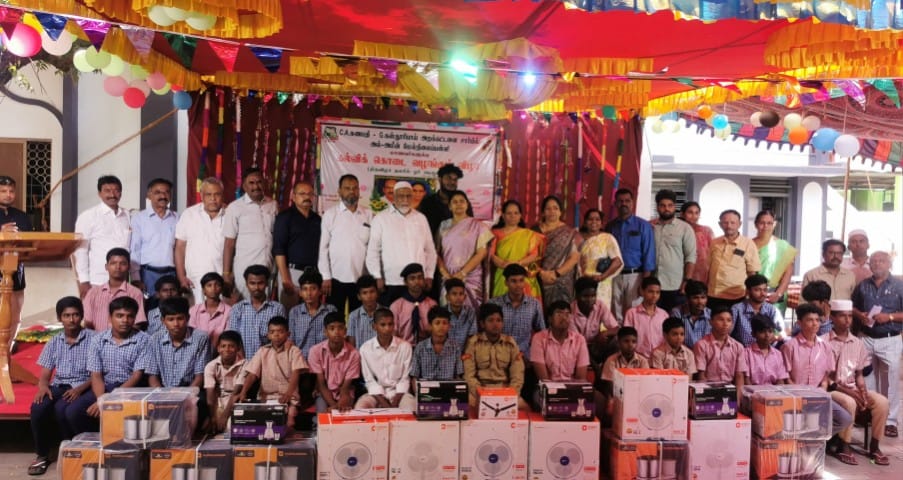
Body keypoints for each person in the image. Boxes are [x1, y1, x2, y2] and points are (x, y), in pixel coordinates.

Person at [28, 297, 94, 476]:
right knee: (38, 408)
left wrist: (80, 389)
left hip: (84, 385)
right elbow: (45, 373)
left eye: (75, 315)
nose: (72, 319)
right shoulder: (54, 341)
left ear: (81, 316)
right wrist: (43, 387)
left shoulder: (94, 339)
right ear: (59, 318)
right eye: (66, 315)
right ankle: (42, 454)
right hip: (59, 385)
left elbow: (98, 374)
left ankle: (72, 451)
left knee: (62, 409)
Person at [825, 300, 892, 465]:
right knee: (850, 402)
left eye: (850, 316)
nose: (847, 320)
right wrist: (851, 393)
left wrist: (862, 391)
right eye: (842, 316)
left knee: (882, 402)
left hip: (852, 387)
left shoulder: (857, 342)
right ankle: (844, 445)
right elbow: (825, 378)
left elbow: (859, 374)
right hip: (831, 389)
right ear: (832, 317)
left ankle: (875, 446)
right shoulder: (823, 341)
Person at [69, 297, 149, 433]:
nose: (125, 320)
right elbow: (96, 375)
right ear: (110, 318)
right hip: (104, 386)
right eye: (119, 316)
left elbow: (136, 376)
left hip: (130, 388)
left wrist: (108, 400)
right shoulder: (98, 340)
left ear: (135, 318)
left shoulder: (144, 340)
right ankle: (93, 442)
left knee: (115, 413)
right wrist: (101, 399)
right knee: (73, 412)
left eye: (130, 316)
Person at [782, 304, 854, 450]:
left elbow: (826, 375)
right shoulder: (790, 346)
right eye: (810, 320)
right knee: (803, 421)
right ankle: (805, 444)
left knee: (844, 418)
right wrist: (797, 394)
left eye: (817, 320)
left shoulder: (825, 346)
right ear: (799, 323)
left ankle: (812, 439)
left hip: (819, 395)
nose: (815, 323)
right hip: (796, 397)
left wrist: (822, 389)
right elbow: (785, 376)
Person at [852, 251, 902, 438]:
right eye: (873, 261)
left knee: (890, 380)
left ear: (889, 264)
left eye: (881, 261)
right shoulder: (863, 285)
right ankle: (870, 414)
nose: (877, 264)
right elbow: (853, 306)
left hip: (890, 338)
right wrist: (860, 315)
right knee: (866, 378)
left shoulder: (899, 285)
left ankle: (890, 421)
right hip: (866, 337)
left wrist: (889, 317)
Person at [366, 181, 437, 305]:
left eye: (408, 196)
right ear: (393, 197)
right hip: (391, 281)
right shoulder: (381, 219)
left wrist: (429, 275)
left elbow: (430, 250)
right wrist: (377, 276)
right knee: (391, 315)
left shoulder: (421, 218)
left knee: (416, 315)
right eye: (401, 196)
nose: (405, 199)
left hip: (417, 282)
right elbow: (373, 251)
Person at [234, 316, 308, 429]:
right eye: (272, 332)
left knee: (289, 423)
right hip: (266, 398)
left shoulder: (294, 351)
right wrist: (243, 392)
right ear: (268, 335)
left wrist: (288, 395)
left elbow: (296, 373)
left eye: (280, 332)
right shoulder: (262, 351)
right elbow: (252, 374)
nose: (276, 335)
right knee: (262, 424)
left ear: (288, 334)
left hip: (288, 399)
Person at [319, 174, 372, 313]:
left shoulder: (368, 214)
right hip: (336, 279)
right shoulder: (330, 215)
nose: (351, 191)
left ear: (359, 191)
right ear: (339, 191)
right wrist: (326, 276)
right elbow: (323, 248)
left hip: (361, 279)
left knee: (359, 317)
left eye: (355, 188)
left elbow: (372, 247)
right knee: (335, 318)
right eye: (347, 188)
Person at [223, 168, 278, 300]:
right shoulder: (234, 207)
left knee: (265, 305)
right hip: (244, 267)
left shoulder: (273, 204)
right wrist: (226, 273)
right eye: (251, 183)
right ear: (244, 186)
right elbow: (229, 243)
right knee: (246, 305)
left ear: (264, 183)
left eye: (259, 182)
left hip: (268, 266)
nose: (256, 186)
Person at [462, 303, 529, 411]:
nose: (495, 324)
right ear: (482, 324)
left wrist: (511, 394)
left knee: (525, 408)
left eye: (499, 320)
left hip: (505, 390)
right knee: (466, 407)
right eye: (491, 320)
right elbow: (468, 375)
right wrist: (482, 394)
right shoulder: (473, 343)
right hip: (480, 390)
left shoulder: (510, 343)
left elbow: (518, 374)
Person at [73, 175, 131, 297]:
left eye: (116, 190)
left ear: (121, 193)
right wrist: (84, 281)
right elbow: (81, 250)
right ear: (99, 193)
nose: (112, 195)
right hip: (97, 279)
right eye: (107, 191)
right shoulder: (88, 216)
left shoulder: (127, 215)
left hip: (123, 280)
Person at [606, 188, 656, 321]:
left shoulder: (643, 226)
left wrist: (645, 282)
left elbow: (648, 254)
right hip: (614, 275)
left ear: (632, 203)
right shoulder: (610, 227)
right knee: (614, 312)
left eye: (627, 201)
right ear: (615, 203)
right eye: (620, 201)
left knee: (634, 313)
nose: (624, 204)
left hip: (635, 276)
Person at [436, 190, 492, 309]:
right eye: (455, 202)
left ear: (467, 205)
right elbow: (436, 253)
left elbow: (482, 253)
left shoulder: (479, 226)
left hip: (471, 277)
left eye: (462, 201)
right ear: (450, 206)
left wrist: (462, 273)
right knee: (447, 312)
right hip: (448, 276)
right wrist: (446, 274)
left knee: (471, 311)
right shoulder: (443, 226)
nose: (459, 204)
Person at [175, 177, 226, 304]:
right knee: (195, 314)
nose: (213, 198)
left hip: (222, 280)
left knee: (221, 314)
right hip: (194, 280)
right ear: (202, 196)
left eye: (217, 194)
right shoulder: (189, 214)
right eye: (208, 194)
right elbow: (180, 247)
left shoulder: (230, 214)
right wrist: (181, 277)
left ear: (222, 195)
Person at [529, 301, 590, 407]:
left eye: (567, 314)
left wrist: (570, 394)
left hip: (572, 389)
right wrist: (559, 396)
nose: (564, 317)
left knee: (596, 399)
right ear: (549, 319)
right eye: (559, 314)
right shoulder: (538, 339)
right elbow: (543, 378)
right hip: (547, 389)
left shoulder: (579, 340)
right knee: (540, 399)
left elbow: (581, 378)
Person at [142, 297, 209, 391]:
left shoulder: (201, 338)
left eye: (180, 318)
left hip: (191, 391)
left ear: (188, 318)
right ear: (163, 321)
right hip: (163, 392)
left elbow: (200, 376)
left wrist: (184, 396)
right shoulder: (155, 339)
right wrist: (162, 395)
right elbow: (153, 376)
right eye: (171, 319)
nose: (176, 324)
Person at [355, 308, 416, 410]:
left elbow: (405, 379)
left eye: (390, 324)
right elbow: (369, 380)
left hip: (400, 394)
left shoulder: (405, 347)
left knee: (411, 408)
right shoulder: (365, 349)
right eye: (383, 325)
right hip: (376, 395)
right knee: (360, 407)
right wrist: (385, 405)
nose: (387, 328)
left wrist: (395, 403)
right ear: (374, 326)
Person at [273, 181, 321, 307]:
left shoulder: (318, 220)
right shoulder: (284, 217)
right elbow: (279, 249)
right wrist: (285, 279)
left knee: (311, 313)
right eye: (302, 194)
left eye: (310, 194)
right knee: (289, 313)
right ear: (293, 197)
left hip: (313, 274)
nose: (307, 197)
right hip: (291, 273)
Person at [129, 178, 178, 295]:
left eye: (166, 192)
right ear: (149, 195)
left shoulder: (177, 218)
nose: (163, 196)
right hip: (148, 274)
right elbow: (135, 249)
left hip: (172, 274)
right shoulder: (139, 218)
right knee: (150, 305)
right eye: (158, 192)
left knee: (171, 305)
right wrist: (136, 278)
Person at [226, 265, 286, 359]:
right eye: (252, 283)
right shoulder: (237, 308)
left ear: (267, 283)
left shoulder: (277, 308)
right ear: (246, 284)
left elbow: (282, 339)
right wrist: (243, 364)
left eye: (260, 283)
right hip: (243, 362)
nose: (256, 287)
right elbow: (233, 338)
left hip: (270, 361)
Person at [0, 175, 33, 347]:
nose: (8, 194)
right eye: (3, 191)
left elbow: (31, 241)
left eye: (11, 191)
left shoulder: (22, 216)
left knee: (15, 314)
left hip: (17, 271)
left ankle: (6, 349)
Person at [651, 190, 696, 311]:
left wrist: (686, 281)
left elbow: (690, 257)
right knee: (654, 318)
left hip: (676, 285)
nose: (666, 209)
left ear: (674, 207)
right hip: (654, 284)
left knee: (675, 319)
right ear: (657, 207)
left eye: (670, 205)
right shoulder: (651, 227)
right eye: (662, 205)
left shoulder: (685, 228)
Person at [707, 209, 761, 311]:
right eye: (725, 222)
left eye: (733, 223)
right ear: (720, 224)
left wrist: (750, 295)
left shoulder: (748, 244)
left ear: (739, 224)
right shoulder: (714, 243)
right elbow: (707, 268)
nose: (729, 226)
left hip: (737, 296)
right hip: (714, 295)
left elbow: (752, 273)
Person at [308, 312, 361, 413]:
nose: (337, 332)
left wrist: (339, 404)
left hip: (345, 393)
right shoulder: (315, 351)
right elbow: (321, 384)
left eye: (340, 328)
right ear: (325, 332)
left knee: (344, 414)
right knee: (323, 415)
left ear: (345, 331)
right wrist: (333, 405)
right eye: (332, 328)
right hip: (324, 392)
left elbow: (345, 387)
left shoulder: (354, 354)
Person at [82, 248, 146, 331]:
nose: (118, 267)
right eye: (113, 263)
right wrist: (99, 338)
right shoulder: (93, 293)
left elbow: (137, 324)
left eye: (122, 263)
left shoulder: (135, 293)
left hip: (126, 339)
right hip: (96, 338)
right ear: (106, 266)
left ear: (129, 267)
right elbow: (87, 324)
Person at [532, 195, 580, 305]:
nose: (552, 211)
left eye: (555, 208)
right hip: (537, 279)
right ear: (543, 212)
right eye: (548, 208)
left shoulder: (570, 233)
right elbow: (528, 257)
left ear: (560, 212)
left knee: (560, 311)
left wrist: (556, 274)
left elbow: (574, 258)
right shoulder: (533, 231)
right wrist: (541, 273)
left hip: (561, 282)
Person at [489, 200, 542, 298]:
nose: (512, 216)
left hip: (524, 275)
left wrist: (518, 264)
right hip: (503, 275)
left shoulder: (528, 234)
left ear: (520, 216)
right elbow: (491, 254)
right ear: (503, 215)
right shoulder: (494, 233)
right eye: (509, 213)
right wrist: (504, 264)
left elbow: (534, 255)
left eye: (516, 213)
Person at [488, 264, 544, 357]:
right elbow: (486, 333)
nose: (518, 285)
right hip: (499, 356)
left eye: (521, 280)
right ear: (506, 282)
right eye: (513, 281)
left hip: (525, 356)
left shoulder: (534, 304)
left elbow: (541, 333)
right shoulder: (494, 303)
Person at [693, 306, 746, 397]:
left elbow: (739, 376)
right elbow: (701, 375)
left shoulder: (738, 346)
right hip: (709, 390)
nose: (725, 324)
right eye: (721, 319)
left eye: (729, 320)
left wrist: (737, 400)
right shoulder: (701, 345)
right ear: (711, 322)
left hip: (730, 389)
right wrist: (707, 397)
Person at [571, 277, 619, 374]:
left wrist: (604, 333)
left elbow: (616, 328)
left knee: (616, 340)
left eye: (593, 296)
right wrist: (597, 370)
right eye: (585, 296)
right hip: (577, 349)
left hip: (595, 346)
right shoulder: (570, 311)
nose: (590, 300)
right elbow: (577, 343)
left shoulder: (600, 305)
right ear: (577, 296)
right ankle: (598, 370)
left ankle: (607, 368)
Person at [752, 210, 797, 314]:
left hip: (775, 294)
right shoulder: (749, 244)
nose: (765, 226)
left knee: (774, 323)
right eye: (762, 223)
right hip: (753, 295)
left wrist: (779, 293)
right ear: (756, 224)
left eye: (769, 223)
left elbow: (788, 272)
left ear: (774, 224)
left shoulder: (783, 245)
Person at [577, 209, 623, 309]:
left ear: (601, 223)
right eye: (590, 219)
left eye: (597, 219)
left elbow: (617, 261)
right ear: (585, 222)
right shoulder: (578, 239)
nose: (594, 222)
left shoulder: (607, 238)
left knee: (600, 311)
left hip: (601, 284)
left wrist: (602, 276)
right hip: (582, 283)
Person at [287, 269, 338, 358]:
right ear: (300, 293)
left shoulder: (330, 310)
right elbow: (291, 341)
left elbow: (335, 339)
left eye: (313, 288)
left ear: (320, 291)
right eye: (305, 289)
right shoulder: (294, 312)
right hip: (301, 360)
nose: (309, 293)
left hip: (324, 360)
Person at [410, 307, 464, 387]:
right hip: (426, 391)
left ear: (449, 326)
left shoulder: (456, 348)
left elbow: (458, 376)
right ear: (430, 326)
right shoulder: (420, 348)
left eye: (444, 323)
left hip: (448, 390)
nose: (441, 326)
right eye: (437, 323)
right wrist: (418, 393)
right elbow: (414, 377)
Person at [204, 330, 245, 434]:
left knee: (231, 428)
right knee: (207, 426)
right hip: (217, 401)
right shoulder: (211, 366)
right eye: (223, 346)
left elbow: (236, 393)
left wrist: (225, 416)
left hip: (235, 401)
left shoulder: (245, 364)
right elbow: (210, 395)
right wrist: (212, 417)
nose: (227, 349)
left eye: (231, 346)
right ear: (218, 348)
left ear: (238, 348)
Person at [623, 277, 668, 360]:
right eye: (650, 292)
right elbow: (627, 336)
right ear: (642, 291)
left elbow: (666, 338)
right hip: (638, 358)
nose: (654, 295)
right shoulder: (632, 313)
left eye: (657, 292)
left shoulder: (664, 315)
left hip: (659, 359)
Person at [390, 263, 438, 344]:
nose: (417, 281)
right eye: (412, 278)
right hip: (403, 346)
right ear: (405, 282)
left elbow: (436, 331)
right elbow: (393, 333)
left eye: (420, 277)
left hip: (427, 347)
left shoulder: (432, 304)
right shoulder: (396, 306)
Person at [731, 274, 782, 347]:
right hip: (743, 351)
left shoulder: (771, 309)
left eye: (765, 290)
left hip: (766, 350)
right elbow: (727, 334)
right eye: (757, 290)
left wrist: (775, 337)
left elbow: (781, 332)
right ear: (748, 291)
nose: (763, 294)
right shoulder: (737, 309)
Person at [419, 163, 468, 235]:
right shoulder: (427, 202)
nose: (452, 182)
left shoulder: (462, 202)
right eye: (448, 178)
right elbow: (421, 227)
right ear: (440, 179)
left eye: (455, 179)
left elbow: (469, 224)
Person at [743, 314, 789, 386]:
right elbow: (746, 380)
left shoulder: (778, 354)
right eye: (762, 332)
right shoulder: (746, 353)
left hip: (774, 392)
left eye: (770, 331)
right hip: (753, 391)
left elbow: (780, 380)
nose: (767, 335)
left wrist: (776, 392)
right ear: (753, 334)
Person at [189, 272, 232, 348]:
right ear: (203, 290)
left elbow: (228, 337)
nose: (213, 288)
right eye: (209, 285)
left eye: (217, 285)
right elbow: (191, 334)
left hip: (221, 352)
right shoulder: (194, 310)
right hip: (196, 350)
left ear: (221, 289)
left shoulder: (229, 311)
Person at [680, 202, 714, 285]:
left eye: (696, 213)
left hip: (703, 271)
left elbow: (713, 252)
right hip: (682, 269)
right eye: (690, 212)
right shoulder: (678, 230)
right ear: (682, 214)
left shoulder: (706, 230)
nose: (694, 216)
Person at [670, 280, 711, 348]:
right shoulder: (677, 313)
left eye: (703, 297)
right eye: (695, 298)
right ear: (687, 299)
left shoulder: (710, 314)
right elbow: (674, 339)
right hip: (682, 351)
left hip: (705, 351)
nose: (700, 302)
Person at [346, 275, 383, 350]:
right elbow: (351, 344)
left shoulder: (386, 313)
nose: (369, 296)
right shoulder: (353, 316)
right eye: (364, 293)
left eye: (372, 292)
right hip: (360, 356)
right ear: (359, 296)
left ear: (377, 293)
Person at [445, 278, 477, 348]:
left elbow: (472, 337)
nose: (458, 297)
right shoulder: (442, 312)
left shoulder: (470, 312)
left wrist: (466, 353)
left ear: (465, 297)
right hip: (446, 352)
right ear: (447, 297)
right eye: (454, 294)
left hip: (467, 352)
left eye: (461, 294)